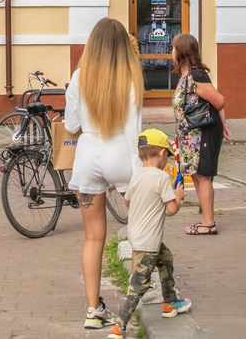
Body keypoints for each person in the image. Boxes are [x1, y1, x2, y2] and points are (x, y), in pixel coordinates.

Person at [68, 17, 143, 331]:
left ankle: (92, 309)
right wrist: (139, 176)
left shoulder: (79, 77)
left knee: (93, 238)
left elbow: (72, 125)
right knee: (140, 230)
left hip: (88, 155)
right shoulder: (131, 77)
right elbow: (133, 131)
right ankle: (141, 296)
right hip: (119, 154)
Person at [108, 129, 193, 336]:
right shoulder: (162, 178)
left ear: (139, 155)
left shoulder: (137, 176)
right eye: (167, 157)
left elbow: (128, 201)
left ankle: (170, 302)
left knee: (166, 259)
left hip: (136, 235)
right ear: (162, 154)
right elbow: (172, 209)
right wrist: (178, 195)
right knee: (139, 286)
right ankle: (119, 327)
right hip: (149, 241)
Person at [169, 33, 229, 236]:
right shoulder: (186, 77)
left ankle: (209, 222)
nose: (172, 52)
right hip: (191, 136)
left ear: (182, 51)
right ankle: (206, 219)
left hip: (202, 133)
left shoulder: (196, 76)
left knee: (203, 176)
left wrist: (224, 124)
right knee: (197, 175)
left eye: (173, 48)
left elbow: (218, 100)